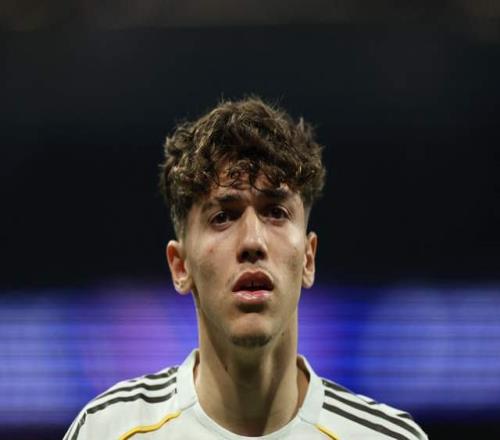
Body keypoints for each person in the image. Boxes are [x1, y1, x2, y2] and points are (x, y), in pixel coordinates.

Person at [64, 97, 428, 440]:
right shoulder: (106, 431)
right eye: (223, 216)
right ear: (180, 266)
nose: (253, 241)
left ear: (308, 258)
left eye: (276, 212)